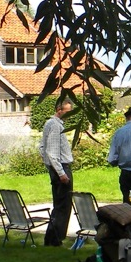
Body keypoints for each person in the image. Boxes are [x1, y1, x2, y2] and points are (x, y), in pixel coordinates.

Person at [40, 99, 76, 246]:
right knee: (63, 205)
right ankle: (56, 239)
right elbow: (52, 152)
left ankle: (51, 238)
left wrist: (48, 166)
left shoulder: (50, 124)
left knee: (58, 204)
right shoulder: (55, 126)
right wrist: (61, 173)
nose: (69, 114)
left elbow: (42, 148)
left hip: (55, 168)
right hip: (61, 168)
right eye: (68, 111)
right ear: (59, 110)